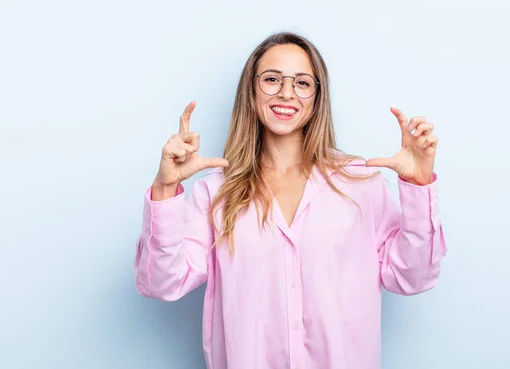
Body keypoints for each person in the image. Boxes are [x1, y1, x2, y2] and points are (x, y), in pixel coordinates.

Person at [134, 31, 447, 369]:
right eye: (271, 79)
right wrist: (165, 189)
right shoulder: (215, 194)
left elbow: (412, 277)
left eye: (301, 82)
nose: (286, 93)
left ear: (317, 96)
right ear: (251, 91)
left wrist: (417, 184)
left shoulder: (361, 185)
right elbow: (162, 283)